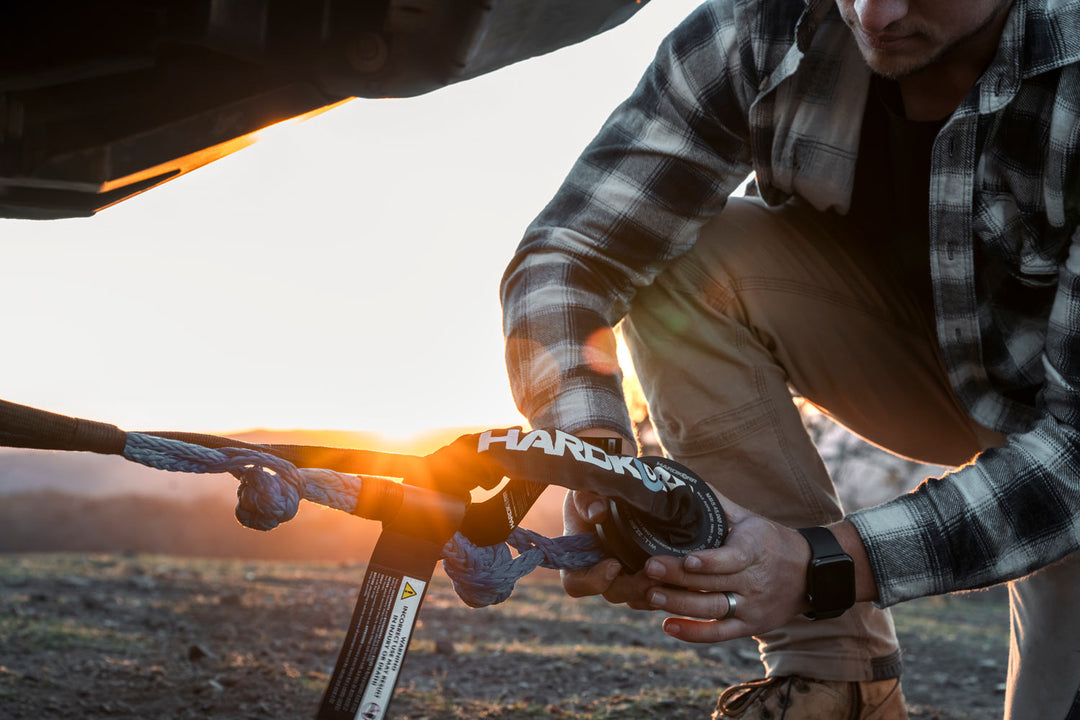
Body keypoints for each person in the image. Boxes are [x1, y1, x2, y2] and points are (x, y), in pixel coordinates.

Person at [500, 0, 1080, 717]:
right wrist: (596, 460)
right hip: (922, 365)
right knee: (684, 269)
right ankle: (837, 677)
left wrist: (821, 563)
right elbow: (573, 253)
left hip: (1067, 430)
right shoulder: (760, 27)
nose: (875, 13)